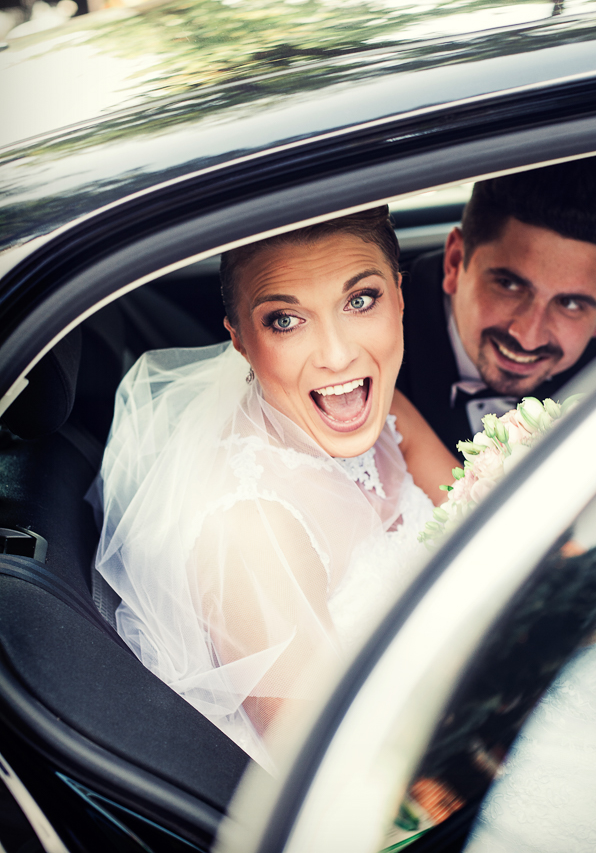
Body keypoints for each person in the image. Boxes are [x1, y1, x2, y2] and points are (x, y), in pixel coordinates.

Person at [95, 207, 456, 771]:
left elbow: (497, 528)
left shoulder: (383, 411)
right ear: (239, 341)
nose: (337, 355)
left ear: (400, 297)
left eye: (361, 300)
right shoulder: (250, 532)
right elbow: (333, 775)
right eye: (285, 320)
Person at [398, 154, 596, 458]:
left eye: (569, 304)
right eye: (509, 285)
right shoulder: (370, 349)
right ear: (455, 262)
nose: (528, 337)